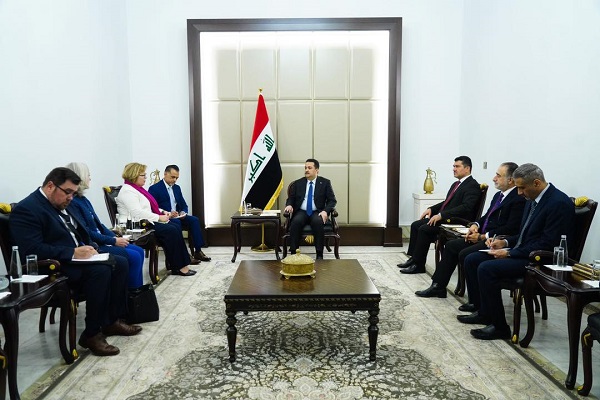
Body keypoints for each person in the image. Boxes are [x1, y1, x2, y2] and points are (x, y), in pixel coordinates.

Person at [10, 167, 142, 357]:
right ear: (50, 186)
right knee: (100, 271)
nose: (71, 197)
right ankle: (91, 334)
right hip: (52, 267)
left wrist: (90, 247)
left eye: (73, 193)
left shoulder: (60, 203)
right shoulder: (28, 209)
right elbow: (32, 250)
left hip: (74, 259)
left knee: (119, 262)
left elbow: (79, 232)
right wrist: (72, 252)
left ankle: (111, 321)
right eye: (68, 192)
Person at [458, 163, 574, 340]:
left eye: (521, 188)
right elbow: (524, 234)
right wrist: (504, 242)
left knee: (486, 268)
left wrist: (510, 253)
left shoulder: (558, 203)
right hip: (525, 251)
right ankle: (484, 313)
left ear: (536, 183)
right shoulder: (532, 198)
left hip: (541, 260)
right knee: (473, 259)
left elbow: (548, 244)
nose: (519, 192)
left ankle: (500, 327)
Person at [414, 162, 526, 300]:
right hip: (481, 235)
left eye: (498, 175)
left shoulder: (518, 199)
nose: (494, 178)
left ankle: (475, 300)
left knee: (466, 255)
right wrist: (475, 224)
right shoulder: (499, 195)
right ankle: (438, 286)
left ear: (510, 180)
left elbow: (511, 228)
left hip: (495, 240)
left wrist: (483, 236)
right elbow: (486, 216)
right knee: (451, 246)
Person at [66, 162, 145, 289]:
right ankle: (131, 293)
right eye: (88, 175)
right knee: (134, 256)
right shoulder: (73, 202)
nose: (90, 178)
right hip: (94, 245)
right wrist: (113, 241)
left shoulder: (83, 200)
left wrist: (115, 237)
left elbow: (99, 225)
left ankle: (138, 292)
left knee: (139, 251)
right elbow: (86, 232)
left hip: (102, 240)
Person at [398, 156, 481, 274]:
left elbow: (466, 207)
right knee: (415, 225)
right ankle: (414, 259)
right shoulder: (456, 184)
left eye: (457, 166)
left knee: (424, 229)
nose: (454, 169)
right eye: (454, 166)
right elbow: (447, 202)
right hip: (447, 218)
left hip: (457, 221)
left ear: (467, 168)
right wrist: (431, 209)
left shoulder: (472, 185)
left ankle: (419, 266)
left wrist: (441, 215)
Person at [116, 162, 199, 276]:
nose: (145, 178)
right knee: (171, 229)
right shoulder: (128, 191)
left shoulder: (137, 189)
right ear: (134, 175)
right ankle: (179, 266)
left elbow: (149, 206)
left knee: (174, 226)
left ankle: (176, 265)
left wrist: (163, 211)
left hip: (145, 221)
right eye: (143, 175)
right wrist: (159, 217)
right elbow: (137, 213)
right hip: (137, 225)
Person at [148, 164, 210, 262]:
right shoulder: (154, 189)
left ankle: (198, 251)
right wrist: (168, 214)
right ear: (165, 174)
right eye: (172, 177)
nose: (175, 180)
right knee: (176, 223)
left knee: (194, 220)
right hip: (165, 218)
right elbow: (153, 208)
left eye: (176, 178)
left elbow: (184, 205)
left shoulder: (177, 188)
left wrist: (183, 212)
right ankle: (184, 255)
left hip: (178, 216)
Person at [284, 159, 337, 259]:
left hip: (317, 211)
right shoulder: (298, 183)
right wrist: (289, 205)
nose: (306, 170)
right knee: (296, 221)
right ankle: (293, 253)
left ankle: (319, 254)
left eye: (309, 168)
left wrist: (325, 211)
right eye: (305, 168)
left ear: (317, 170)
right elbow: (291, 198)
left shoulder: (325, 183)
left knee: (318, 222)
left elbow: (332, 200)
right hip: (301, 211)